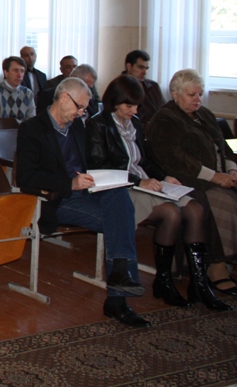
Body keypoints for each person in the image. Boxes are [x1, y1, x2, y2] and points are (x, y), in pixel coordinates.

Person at [16, 77, 150, 327]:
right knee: (121, 219)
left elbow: (86, 163)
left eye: (85, 109)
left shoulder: (77, 126)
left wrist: (99, 178)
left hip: (86, 191)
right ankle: (118, 294)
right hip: (58, 199)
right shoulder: (32, 128)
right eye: (79, 107)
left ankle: (120, 276)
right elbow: (26, 177)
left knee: (120, 195)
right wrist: (69, 183)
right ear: (64, 98)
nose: (81, 113)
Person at [87, 75, 228, 310]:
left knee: (195, 209)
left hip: (144, 181)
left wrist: (164, 176)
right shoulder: (98, 124)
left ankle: (199, 282)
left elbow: (146, 161)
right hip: (120, 188)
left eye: (137, 106)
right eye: (129, 105)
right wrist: (138, 182)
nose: (134, 111)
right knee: (171, 213)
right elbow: (99, 167)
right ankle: (164, 280)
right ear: (114, 101)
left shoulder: (135, 123)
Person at [146, 69, 237, 296]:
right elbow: (176, 159)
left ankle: (227, 261)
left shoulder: (204, 114)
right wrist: (215, 176)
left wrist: (232, 169)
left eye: (200, 94)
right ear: (175, 94)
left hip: (219, 175)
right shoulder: (164, 119)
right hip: (187, 179)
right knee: (223, 202)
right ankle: (215, 265)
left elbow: (224, 146)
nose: (197, 99)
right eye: (191, 95)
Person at [0, 56, 35, 121]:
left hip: (23, 128)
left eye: (22, 71)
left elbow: (31, 121)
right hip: (0, 128)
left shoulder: (28, 93)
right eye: (15, 70)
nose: (19, 75)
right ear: (6, 73)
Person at [123, 50, 166, 122]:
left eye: (146, 68)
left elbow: (164, 109)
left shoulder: (153, 86)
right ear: (129, 66)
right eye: (140, 67)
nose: (145, 72)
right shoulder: (120, 88)